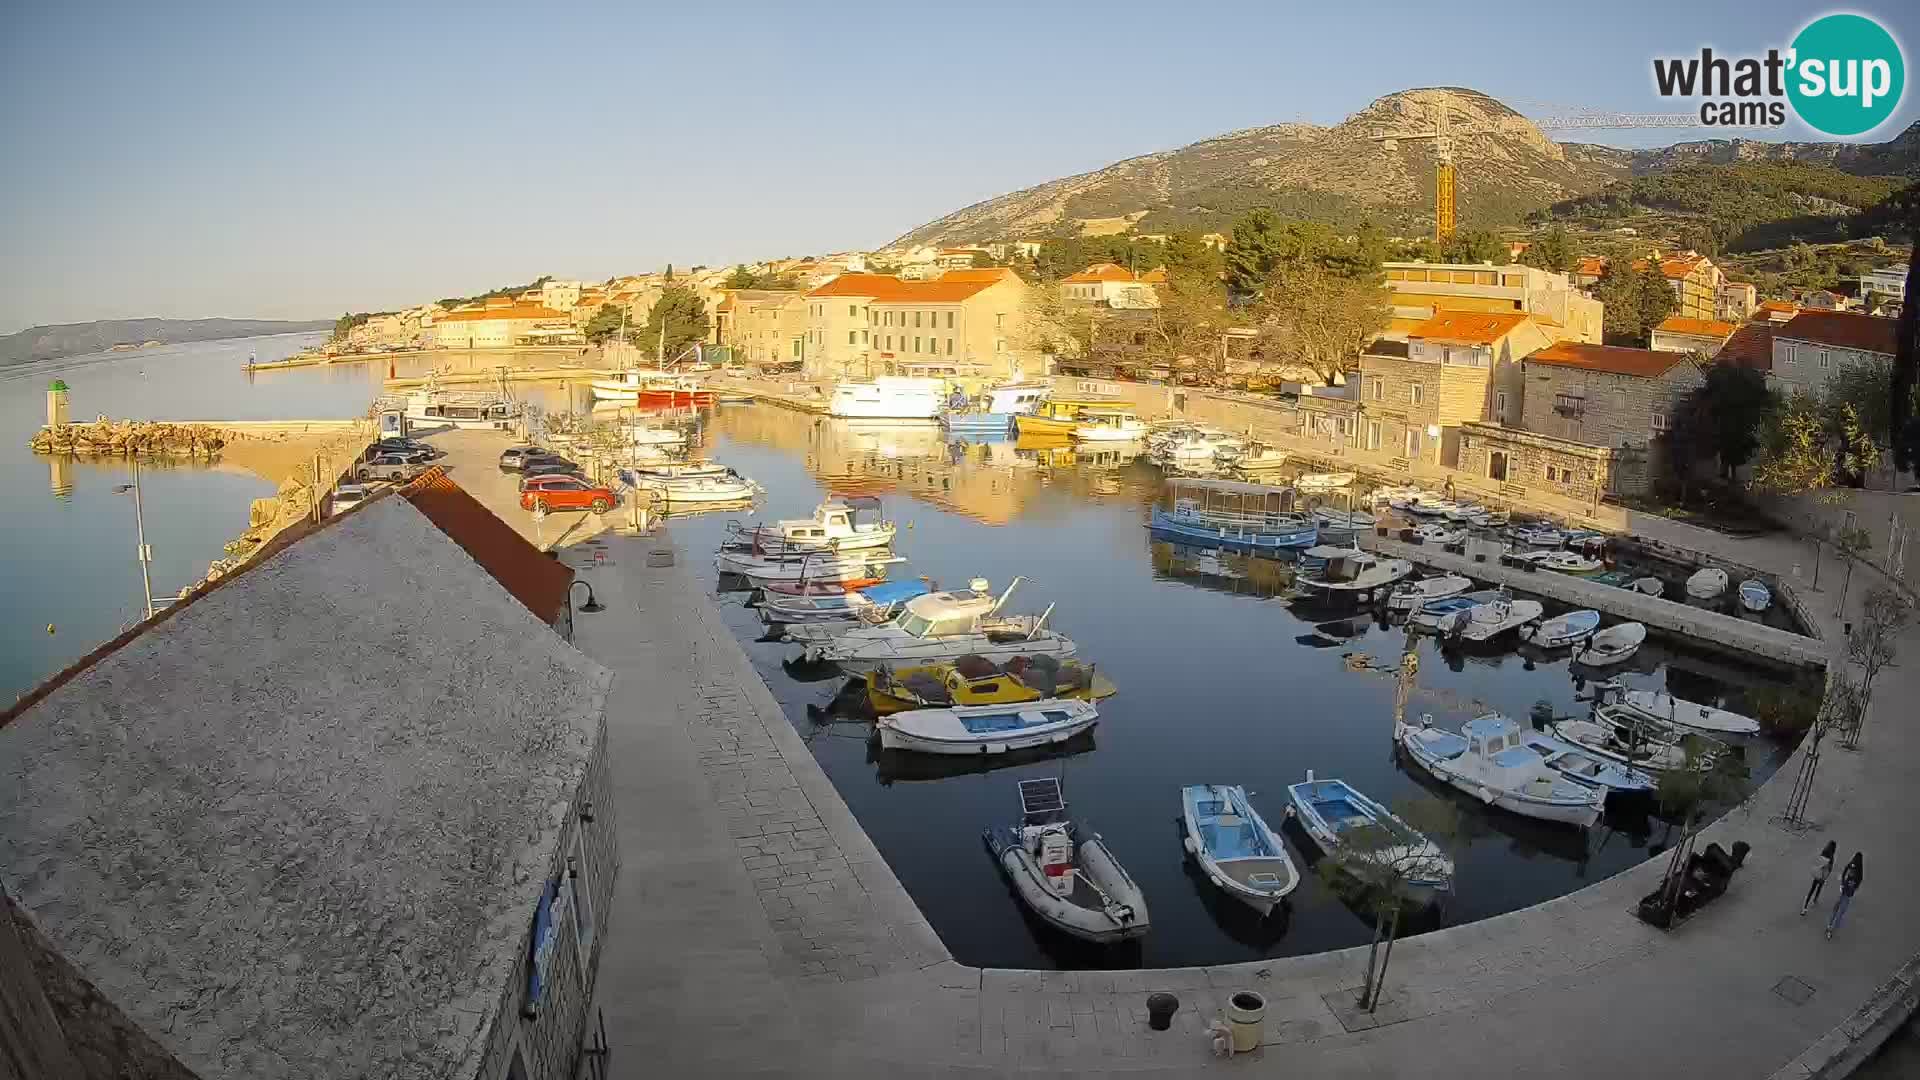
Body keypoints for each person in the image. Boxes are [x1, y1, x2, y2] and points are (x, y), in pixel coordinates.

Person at [1826, 852, 1864, 939]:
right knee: (1841, 912)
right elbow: (1859, 882)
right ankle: (1831, 929)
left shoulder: (1851, 864)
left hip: (1844, 889)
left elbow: (1845, 871)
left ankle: (1829, 925)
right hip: (1849, 892)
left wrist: (1842, 882)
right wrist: (1855, 888)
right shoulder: (1860, 870)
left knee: (1836, 908)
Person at [1801, 841, 1836, 915]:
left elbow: (1818, 861)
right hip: (1823, 876)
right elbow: (1830, 868)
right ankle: (1815, 899)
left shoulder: (1824, 852)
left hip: (1818, 874)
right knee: (1819, 888)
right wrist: (1826, 876)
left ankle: (1805, 907)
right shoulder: (1831, 856)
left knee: (1811, 890)